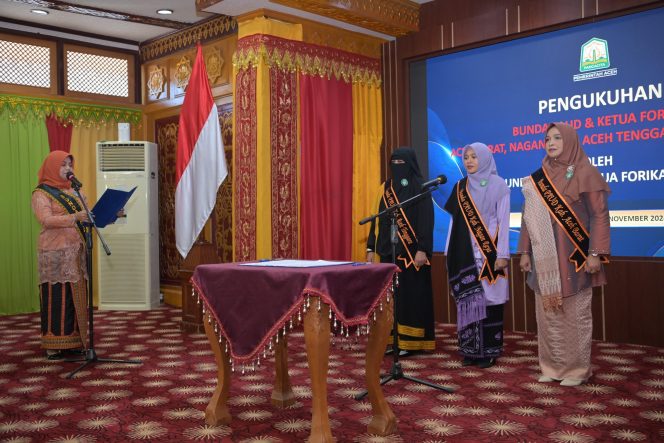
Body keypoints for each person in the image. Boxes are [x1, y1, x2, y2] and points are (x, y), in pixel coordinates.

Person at [518, 122, 610, 387]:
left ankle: (577, 370)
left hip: (575, 257)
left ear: (570, 140)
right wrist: (524, 251)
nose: (551, 142)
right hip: (543, 260)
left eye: (557, 137)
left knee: (575, 315)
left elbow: (599, 216)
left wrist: (595, 253)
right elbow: (528, 219)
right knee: (547, 316)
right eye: (547, 139)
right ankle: (551, 367)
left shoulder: (585, 172)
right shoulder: (538, 178)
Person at [444, 143, 510, 369]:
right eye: (466, 157)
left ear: (485, 158)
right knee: (468, 300)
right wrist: (448, 252)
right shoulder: (460, 187)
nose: (469, 161)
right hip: (464, 255)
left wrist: (502, 255)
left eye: (474, 157)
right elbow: (454, 223)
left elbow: (503, 221)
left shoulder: (499, 185)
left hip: (490, 256)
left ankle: (488, 351)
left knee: (490, 302)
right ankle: (469, 349)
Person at [366, 146, 436, 355]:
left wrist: (423, 249)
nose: (397, 167)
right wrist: (371, 247)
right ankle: (394, 338)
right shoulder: (385, 188)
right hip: (389, 252)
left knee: (411, 296)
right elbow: (375, 219)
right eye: (393, 163)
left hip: (413, 254)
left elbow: (426, 221)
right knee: (391, 298)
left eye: (401, 163)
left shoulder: (420, 187)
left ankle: (411, 341)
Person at [32, 150, 90, 360]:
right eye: (63, 165)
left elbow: (87, 218)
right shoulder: (41, 193)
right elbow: (46, 220)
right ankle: (54, 344)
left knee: (75, 295)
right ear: (51, 167)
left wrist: (109, 214)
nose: (68, 169)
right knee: (57, 295)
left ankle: (75, 341)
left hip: (76, 251)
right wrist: (75, 216)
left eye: (70, 164)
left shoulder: (77, 193)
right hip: (54, 253)